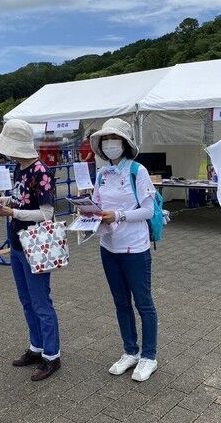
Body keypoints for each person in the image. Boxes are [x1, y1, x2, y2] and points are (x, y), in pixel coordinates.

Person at [0, 119, 61, 381]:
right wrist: (7, 200)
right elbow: (21, 197)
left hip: (35, 244)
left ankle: (52, 355)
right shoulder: (19, 168)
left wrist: (11, 211)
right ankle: (36, 347)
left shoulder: (41, 172)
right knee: (27, 300)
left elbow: (47, 212)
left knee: (41, 302)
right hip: (18, 242)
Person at [90, 118, 159, 382]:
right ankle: (130, 351)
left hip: (135, 248)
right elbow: (97, 204)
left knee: (144, 303)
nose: (109, 144)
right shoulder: (102, 174)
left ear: (124, 143)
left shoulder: (137, 171)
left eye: (114, 139)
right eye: (105, 140)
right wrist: (85, 211)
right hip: (108, 246)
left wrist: (118, 215)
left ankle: (149, 356)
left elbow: (148, 210)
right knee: (121, 302)